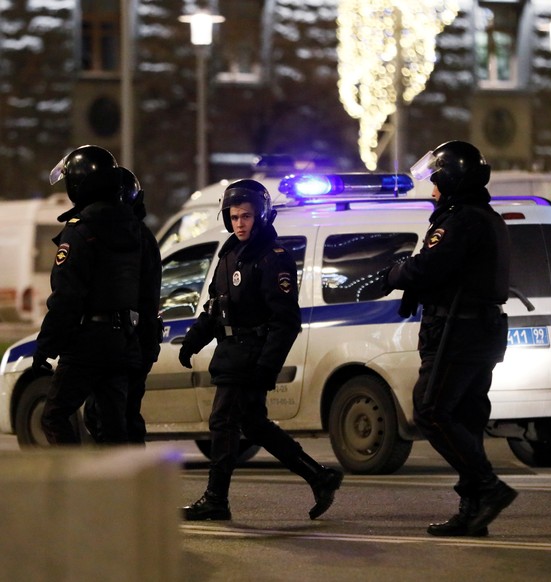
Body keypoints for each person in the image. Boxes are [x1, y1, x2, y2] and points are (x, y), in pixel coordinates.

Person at [179, 179, 342, 521]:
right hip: (231, 352)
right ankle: (320, 476)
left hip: (251, 357)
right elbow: (215, 307)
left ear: (262, 217)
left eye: (247, 216)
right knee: (253, 424)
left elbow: (286, 321)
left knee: (223, 422)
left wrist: (267, 367)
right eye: (234, 216)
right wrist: (194, 340)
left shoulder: (272, 258)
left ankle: (215, 499)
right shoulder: (229, 253)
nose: (239, 223)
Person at [382, 140, 516, 537]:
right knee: (465, 418)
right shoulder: (486, 218)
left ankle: (488, 489)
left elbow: (429, 268)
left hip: (458, 332)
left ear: (451, 180)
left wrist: (396, 271)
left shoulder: (460, 220)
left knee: (430, 410)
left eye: (436, 181)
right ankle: (473, 510)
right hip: (480, 331)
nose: (433, 189)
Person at [35, 145, 144, 444]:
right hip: (121, 340)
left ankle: (75, 487)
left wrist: (46, 346)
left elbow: (67, 297)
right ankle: (123, 490)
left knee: (54, 415)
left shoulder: (81, 229)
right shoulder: (131, 227)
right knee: (113, 429)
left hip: (86, 342)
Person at [83, 168, 163, 444]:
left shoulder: (131, 236)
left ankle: (130, 483)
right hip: (138, 338)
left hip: (131, 338)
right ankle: (133, 481)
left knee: (113, 419)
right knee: (122, 417)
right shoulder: (138, 234)